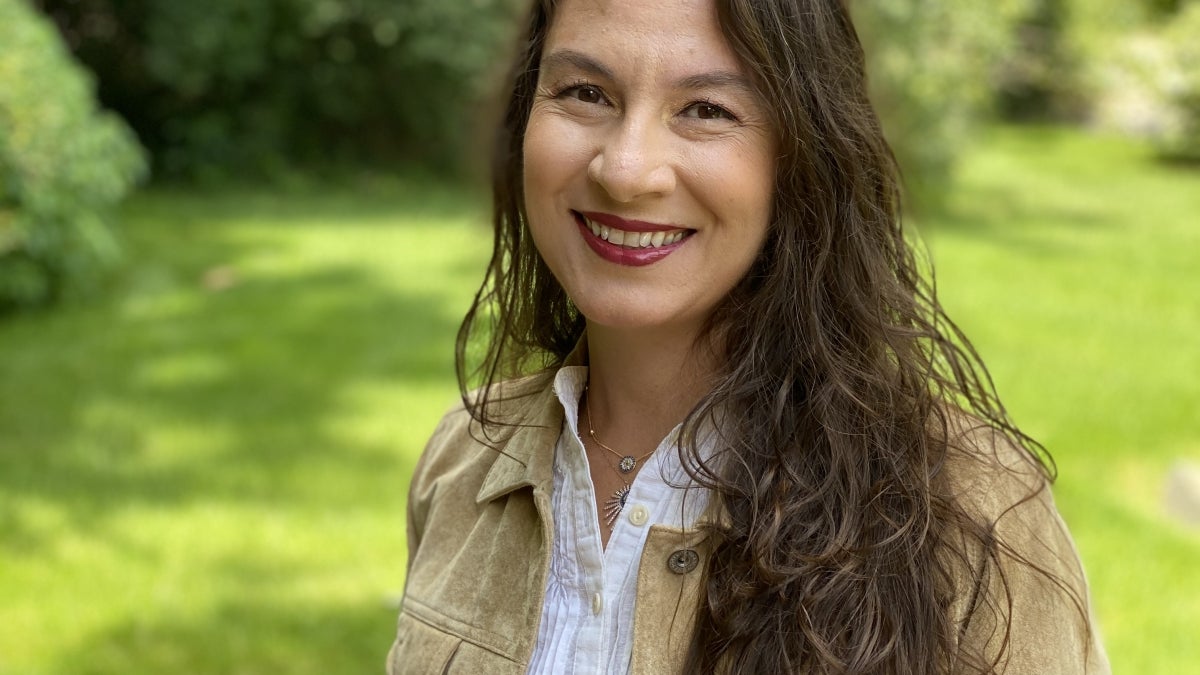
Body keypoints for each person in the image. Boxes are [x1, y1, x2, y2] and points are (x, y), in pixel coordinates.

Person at [389, 0, 1110, 672]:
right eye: (585, 92)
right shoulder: (463, 464)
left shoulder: (975, 513)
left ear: (803, 155)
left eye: (706, 109)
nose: (627, 169)